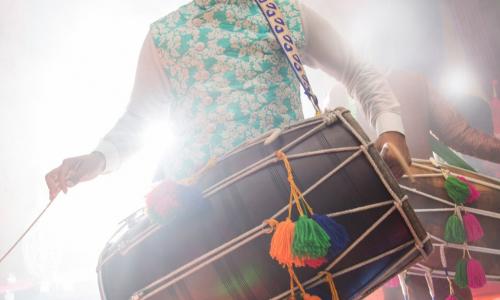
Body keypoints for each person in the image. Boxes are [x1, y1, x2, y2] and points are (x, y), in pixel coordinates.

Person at [45, 0, 410, 201]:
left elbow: (357, 70)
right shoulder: (165, 36)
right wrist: (98, 159)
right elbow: (137, 121)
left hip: (289, 197)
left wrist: (391, 130)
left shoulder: (284, 12)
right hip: (201, 208)